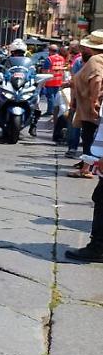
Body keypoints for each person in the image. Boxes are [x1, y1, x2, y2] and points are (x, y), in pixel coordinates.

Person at [66, 31, 103, 261]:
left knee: (101, 198)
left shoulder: (96, 62)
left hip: (92, 118)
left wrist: (94, 102)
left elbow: (96, 82)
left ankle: (97, 247)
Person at [65, 32, 103, 179]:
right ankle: (87, 166)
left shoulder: (95, 60)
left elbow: (96, 79)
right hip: (95, 105)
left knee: (89, 138)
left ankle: (86, 169)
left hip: (91, 107)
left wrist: (94, 101)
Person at [40, 44, 65, 116]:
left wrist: (43, 82)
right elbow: (62, 70)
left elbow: (45, 71)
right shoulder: (62, 58)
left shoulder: (49, 59)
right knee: (55, 97)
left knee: (50, 97)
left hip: (50, 81)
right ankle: (54, 111)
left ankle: (50, 111)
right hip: (59, 80)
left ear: (50, 50)